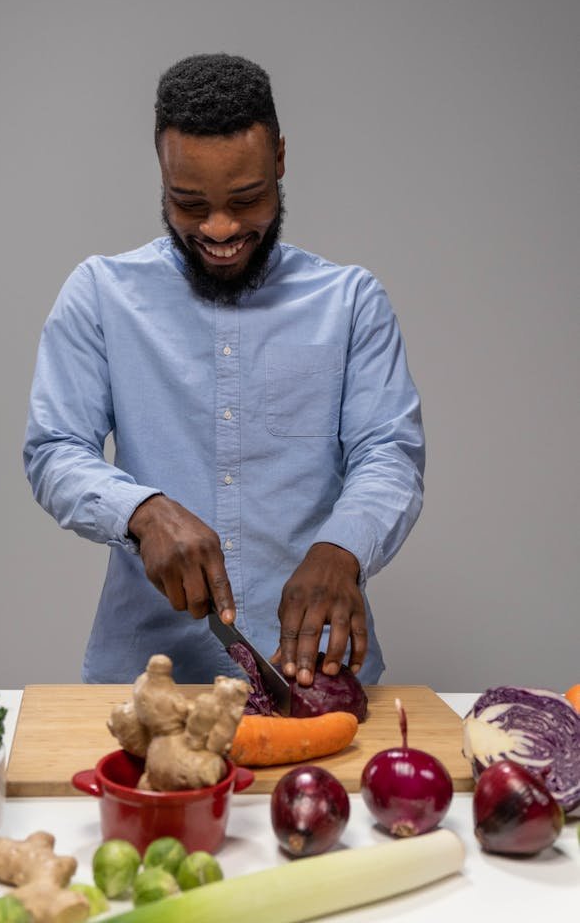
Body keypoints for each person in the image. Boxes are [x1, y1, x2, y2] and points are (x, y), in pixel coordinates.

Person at [23, 53, 425, 688]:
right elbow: (54, 450)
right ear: (161, 170)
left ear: (281, 161)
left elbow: (389, 452)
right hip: (148, 683)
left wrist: (341, 549)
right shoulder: (101, 293)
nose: (220, 228)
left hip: (315, 677)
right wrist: (142, 510)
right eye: (189, 203)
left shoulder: (350, 301)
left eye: (247, 199)